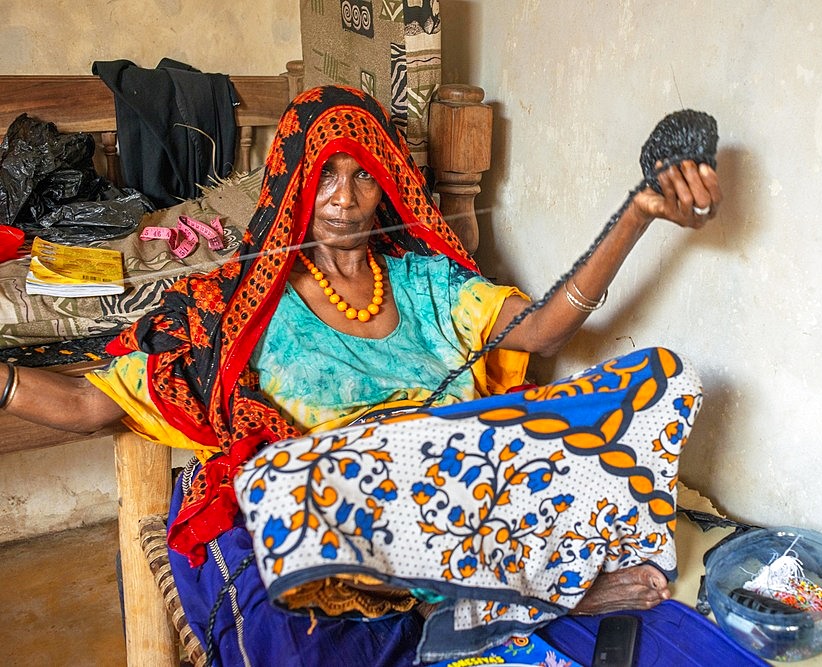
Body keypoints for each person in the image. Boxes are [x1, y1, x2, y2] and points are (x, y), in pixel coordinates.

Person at [0, 85, 721, 664]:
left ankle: (482, 602)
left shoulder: (427, 284)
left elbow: (541, 329)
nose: (343, 197)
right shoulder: (242, 309)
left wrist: (638, 213)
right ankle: (501, 604)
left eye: (361, 176)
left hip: (456, 497)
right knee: (292, 591)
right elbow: (88, 403)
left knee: (659, 383)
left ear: (387, 186)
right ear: (292, 184)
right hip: (346, 521)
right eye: (326, 175)